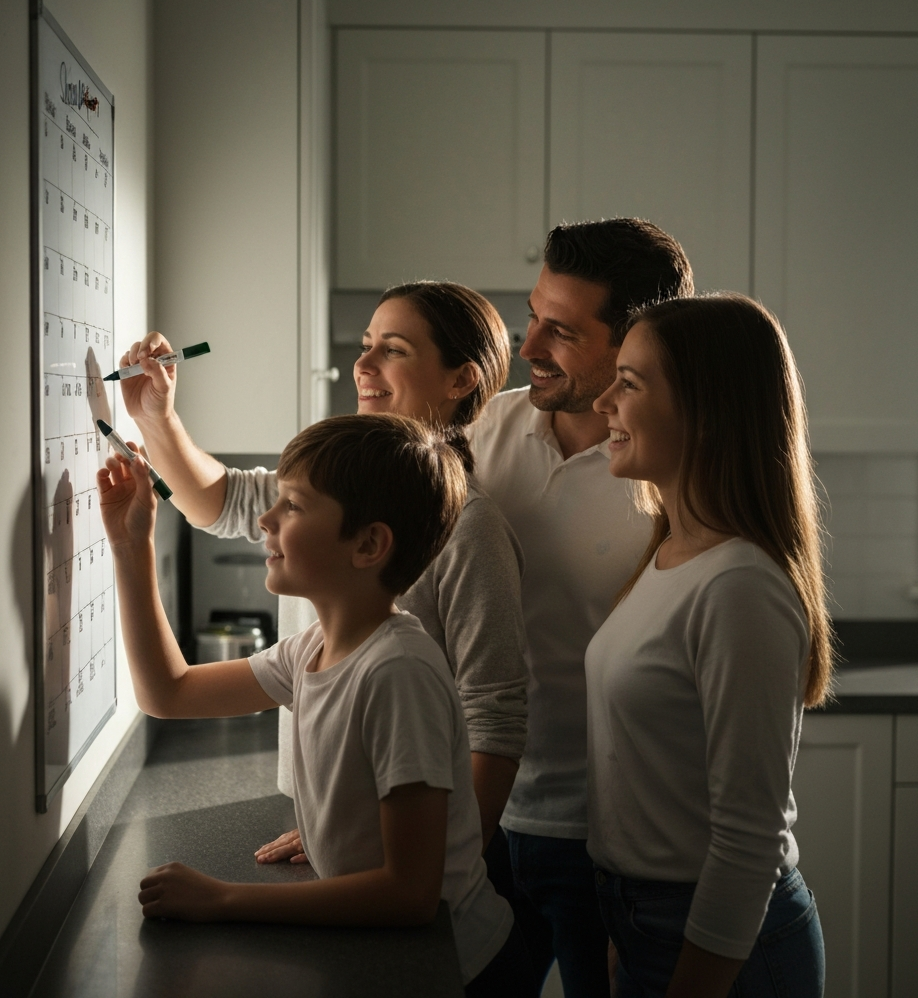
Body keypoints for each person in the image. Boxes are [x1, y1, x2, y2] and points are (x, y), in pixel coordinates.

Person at [97, 413, 533, 996]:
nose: (266, 519)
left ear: (369, 544)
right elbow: (166, 693)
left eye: (294, 506)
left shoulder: (398, 673)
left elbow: (409, 895)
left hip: (457, 967)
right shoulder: (314, 650)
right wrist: (131, 546)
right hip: (391, 949)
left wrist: (222, 898)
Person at [121, 282, 528, 859]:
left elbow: (494, 720)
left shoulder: (469, 531)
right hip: (335, 827)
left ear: (461, 379)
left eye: (394, 349)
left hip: (395, 844)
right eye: (366, 344)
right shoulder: (333, 493)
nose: (361, 365)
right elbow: (223, 502)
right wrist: (156, 420)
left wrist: (441, 858)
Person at [468, 218, 693, 997]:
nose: (527, 346)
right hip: (484, 814)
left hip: (611, 846)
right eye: (533, 315)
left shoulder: (674, 475)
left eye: (560, 331)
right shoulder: (477, 433)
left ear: (635, 343)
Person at [588, 294, 829, 997]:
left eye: (629, 383)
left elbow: (748, 842)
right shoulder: (669, 556)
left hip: (723, 948)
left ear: (708, 410)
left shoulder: (739, 586)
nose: (604, 400)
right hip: (648, 923)